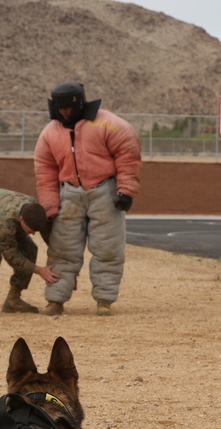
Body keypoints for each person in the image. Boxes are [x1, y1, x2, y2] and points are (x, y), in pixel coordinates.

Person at [34, 82, 142, 316]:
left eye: (68, 108)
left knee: (108, 249)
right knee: (61, 250)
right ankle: (55, 299)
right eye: (59, 108)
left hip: (105, 192)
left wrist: (126, 191)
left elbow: (128, 156)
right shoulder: (49, 133)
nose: (64, 112)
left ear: (80, 103)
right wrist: (49, 205)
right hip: (69, 194)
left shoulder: (110, 125)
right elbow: (44, 170)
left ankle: (104, 299)